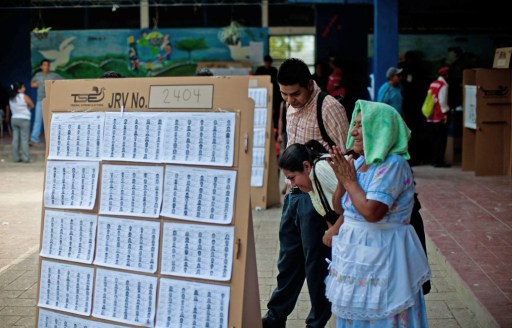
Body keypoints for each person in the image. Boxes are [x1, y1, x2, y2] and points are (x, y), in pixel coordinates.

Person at [325, 100, 431, 327]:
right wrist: (343, 179)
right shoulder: (361, 161)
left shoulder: (393, 163)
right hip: (358, 256)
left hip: (385, 256)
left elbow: (371, 212)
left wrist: (349, 180)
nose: (353, 131)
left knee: (383, 314)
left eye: (361, 125)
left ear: (381, 129)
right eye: (355, 124)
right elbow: (339, 207)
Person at [262, 57, 350, 328]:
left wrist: (339, 209)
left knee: (316, 266)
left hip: (319, 199)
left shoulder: (329, 108)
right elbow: (290, 146)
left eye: (296, 93)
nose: (290, 100)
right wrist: (288, 189)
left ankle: (316, 322)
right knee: (288, 260)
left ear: (310, 85)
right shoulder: (289, 107)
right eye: (284, 94)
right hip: (294, 195)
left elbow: (347, 158)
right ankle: (275, 317)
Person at [30, 59, 62, 145]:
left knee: (51, 120)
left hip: (50, 100)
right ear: (41, 66)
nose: (46, 67)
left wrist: (54, 85)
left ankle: (52, 140)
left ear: (49, 66)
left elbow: (63, 82)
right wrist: (38, 84)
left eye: (47, 65)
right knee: (37, 120)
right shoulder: (38, 75)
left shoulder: (53, 75)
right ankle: (34, 139)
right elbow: (32, 84)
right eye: (44, 65)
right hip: (40, 100)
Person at [426, 66, 451, 168]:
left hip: (431, 115)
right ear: (445, 75)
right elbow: (442, 101)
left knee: (434, 139)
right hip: (439, 116)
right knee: (441, 140)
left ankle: (433, 159)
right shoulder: (443, 85)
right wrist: (445, 114)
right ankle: (439, 161)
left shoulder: (433, 84)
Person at [8, 82, 34, 163]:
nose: (24, 88)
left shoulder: (11, 98)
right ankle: (26, 158)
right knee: (24, 139)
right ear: (19, 89)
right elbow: (32, 105)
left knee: (15, 139)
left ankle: (16, 158)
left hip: (14, 119)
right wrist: (25, 110)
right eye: (23, 87)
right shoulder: (24, 97)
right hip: (24, 119)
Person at [255, 54, 281, 130]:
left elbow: (275, 81)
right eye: (266, 62)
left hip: (272, 92)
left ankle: (272, 125)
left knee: (272, 110)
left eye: (269, 62)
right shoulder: (260, 69)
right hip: (262, 92)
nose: (267, 64)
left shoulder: (274, 70)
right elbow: (257, 79)